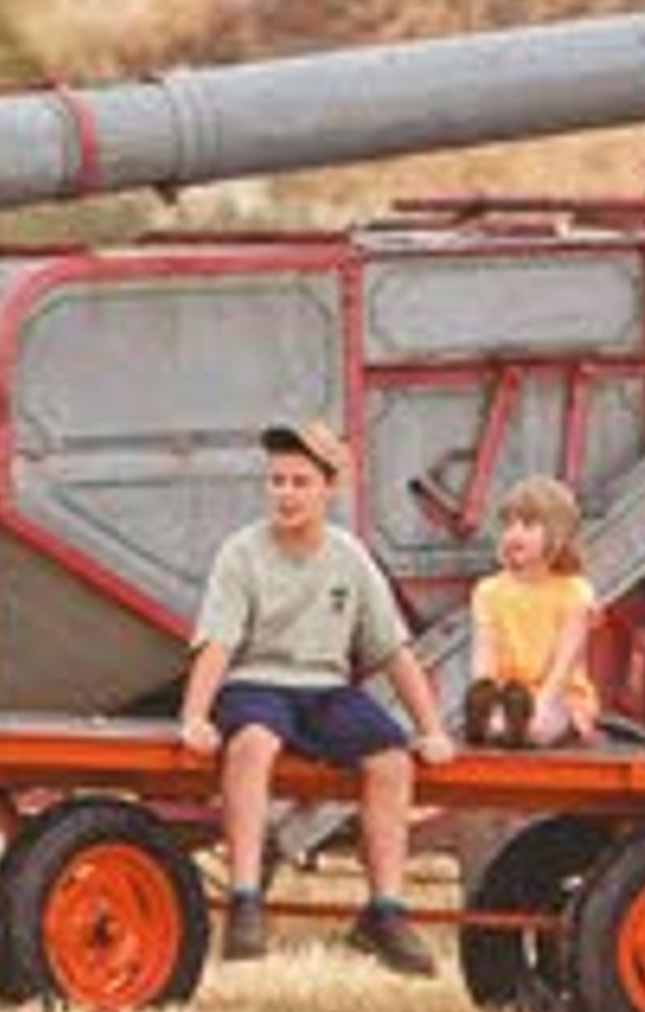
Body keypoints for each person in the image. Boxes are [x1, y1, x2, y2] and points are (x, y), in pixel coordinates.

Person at [178, 419, 460, 978]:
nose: (285, 494)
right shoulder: (243, 554)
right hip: (256, 682)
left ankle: (384, 910)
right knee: (253, 744)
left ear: (328, 489)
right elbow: (217, 643)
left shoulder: (348, 558)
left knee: (391, 759)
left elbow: (392, 648)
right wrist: (194, 717)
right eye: (276, 482)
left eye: (299, 482)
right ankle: (244, 900)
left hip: (326, 689)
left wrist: (432, 729)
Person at [465, 475, 602, 747]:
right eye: (508, 524)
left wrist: (543, 703)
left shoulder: (575, 591)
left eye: (527, 525)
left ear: (556, 534)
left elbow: (564, 664)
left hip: (560, 695)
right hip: (507, 692)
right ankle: (499, 722)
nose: (514, 534)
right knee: (498, 719)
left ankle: (516, 725)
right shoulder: (488, 591)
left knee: (544, 725)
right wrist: (484, 690)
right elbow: (484, 654)